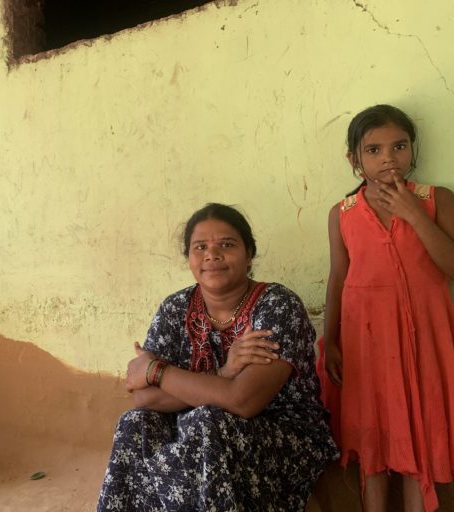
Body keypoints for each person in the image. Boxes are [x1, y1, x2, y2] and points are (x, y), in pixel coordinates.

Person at [97, 203, 338, 511]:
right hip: (199, 430)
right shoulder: (175, 309)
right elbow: (145, 399)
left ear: (249, 253)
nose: (212, 254)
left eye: (227, 244)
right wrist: (223, 375)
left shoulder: (277, 306)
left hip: (285, 436)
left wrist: (157, 371)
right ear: (189, 258)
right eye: (200, 247)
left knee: (207, 421)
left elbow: (243, 400)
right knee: (135, 423)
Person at [318, 104, 454, 512]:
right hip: (367, 345)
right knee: (371, 438)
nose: (388, 158)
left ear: (412, 151)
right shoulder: (341, 215)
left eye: (399, 146)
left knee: (421, 434)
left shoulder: (435, 199)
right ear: (354, 161)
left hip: (426, 341)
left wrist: (413, 215)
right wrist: (334, 340)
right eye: (373, 150)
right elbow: (339, 278)